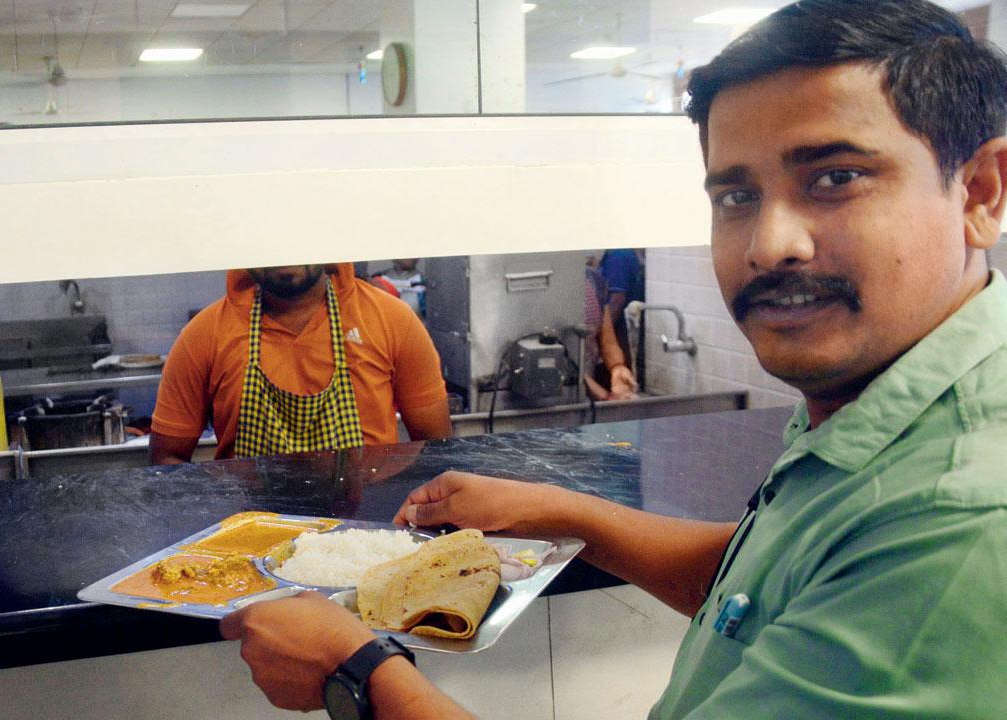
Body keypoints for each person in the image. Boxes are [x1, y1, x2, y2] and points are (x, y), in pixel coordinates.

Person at [219, 1, 1007, 717]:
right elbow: (756, 589)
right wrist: (567, 516)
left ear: (980, 192)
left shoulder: (960, 520)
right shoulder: (885, 408)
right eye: (736, 196)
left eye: (835, 178)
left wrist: (355, 669)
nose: (771, 244)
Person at [150, 264, 452, 463]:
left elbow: (437, 453)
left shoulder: (391, 319)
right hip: (246, 539)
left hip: (367, 538)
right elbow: (166, 462)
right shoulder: (203, 334)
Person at [583, 267, 638, 401]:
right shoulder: (547, 283)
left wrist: (617, 367)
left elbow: (608, 343)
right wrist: (603, 395)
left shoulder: (593, 279)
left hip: (588, 391)